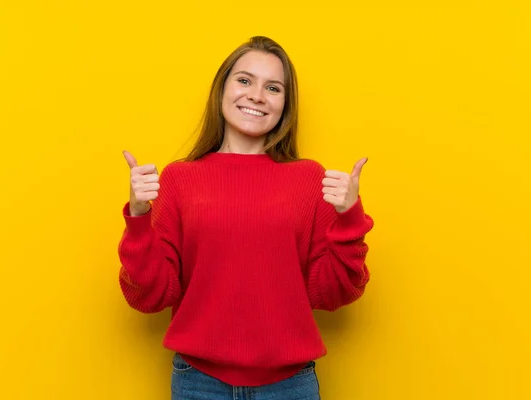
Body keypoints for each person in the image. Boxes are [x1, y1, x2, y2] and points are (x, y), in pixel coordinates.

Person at [118, 36, 374, 400]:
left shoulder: (309, 180)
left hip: (290, 386)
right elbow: (150, 296)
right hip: (198, 383)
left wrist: (349, 219)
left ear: (286, 105)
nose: (257, 95)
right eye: (244, 80)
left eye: (273, 87)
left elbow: (335, 292)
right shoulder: (179, 179)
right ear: (221, 89)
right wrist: (140, 218)